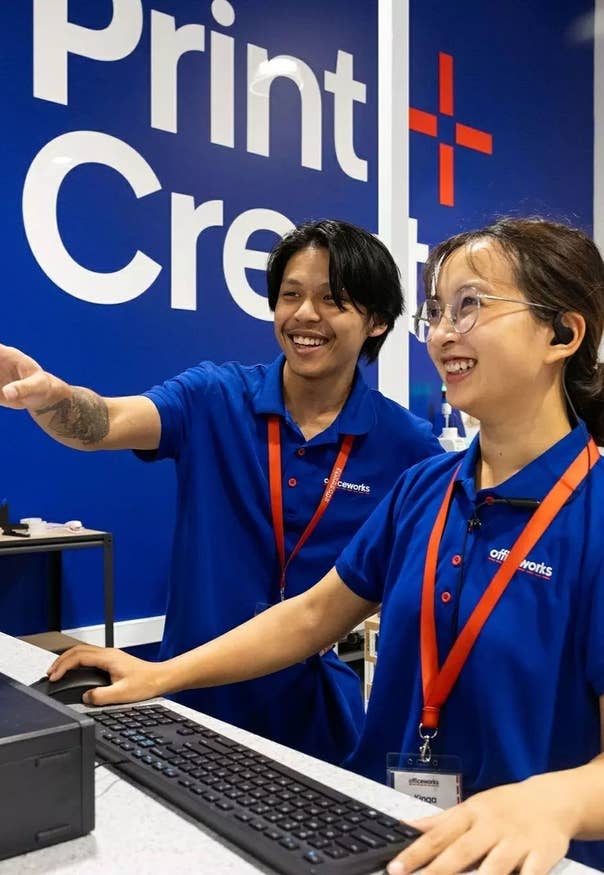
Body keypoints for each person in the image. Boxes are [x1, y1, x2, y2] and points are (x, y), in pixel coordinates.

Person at [48, 217, 604, 872]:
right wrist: (160, 673)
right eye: (437, 311)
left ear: (562, 334)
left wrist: (555, 801)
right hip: (376, 833)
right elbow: (313, 615)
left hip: (512, 858)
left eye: (471, 306)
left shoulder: (589, 512)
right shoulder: (423, 488)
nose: (443, 333)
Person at [0, 219, 442, 766]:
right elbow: (103, 421)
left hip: (315, 719)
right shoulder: (214, 395)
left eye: (332, 300)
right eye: (291, 295)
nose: (304, 315)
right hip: (185, 699)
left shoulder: (408, 445)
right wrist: (49, 399)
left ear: (377, 322)